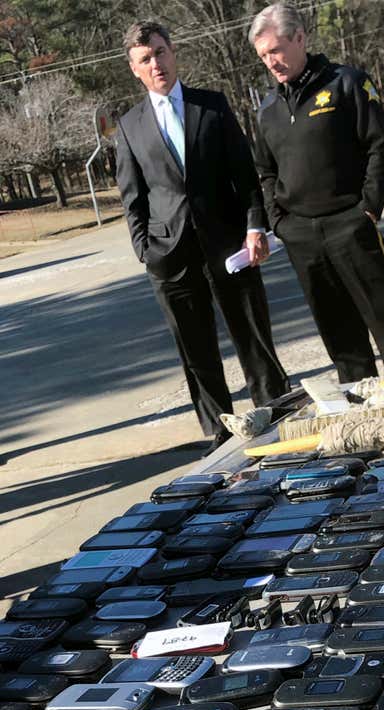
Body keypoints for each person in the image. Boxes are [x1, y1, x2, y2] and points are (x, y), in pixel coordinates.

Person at [116, 20, 290, 452]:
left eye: (159, 52)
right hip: (170, 255)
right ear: (134, 69)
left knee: (251, 332)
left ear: (173, 52)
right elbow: (132, 198)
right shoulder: (129, 127)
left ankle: (274, 408)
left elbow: (245, 175)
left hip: (230, 243)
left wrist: (254, 226)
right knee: (196, 350)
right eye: (144, 59)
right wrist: (146, 251)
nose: (155, 63)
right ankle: (219, 430)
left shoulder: (211, 106)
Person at [250, 2, 384, 384]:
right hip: (302, 237)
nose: (271, 62)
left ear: (300, 38)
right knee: (340, 337)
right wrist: (280, 222)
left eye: (276, 50)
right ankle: (362, 417)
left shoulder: (346, 83)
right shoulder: (267, 110)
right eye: (264, 56)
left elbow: (378, 146)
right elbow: (264, 171)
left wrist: (368, 209)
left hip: (351, 224)